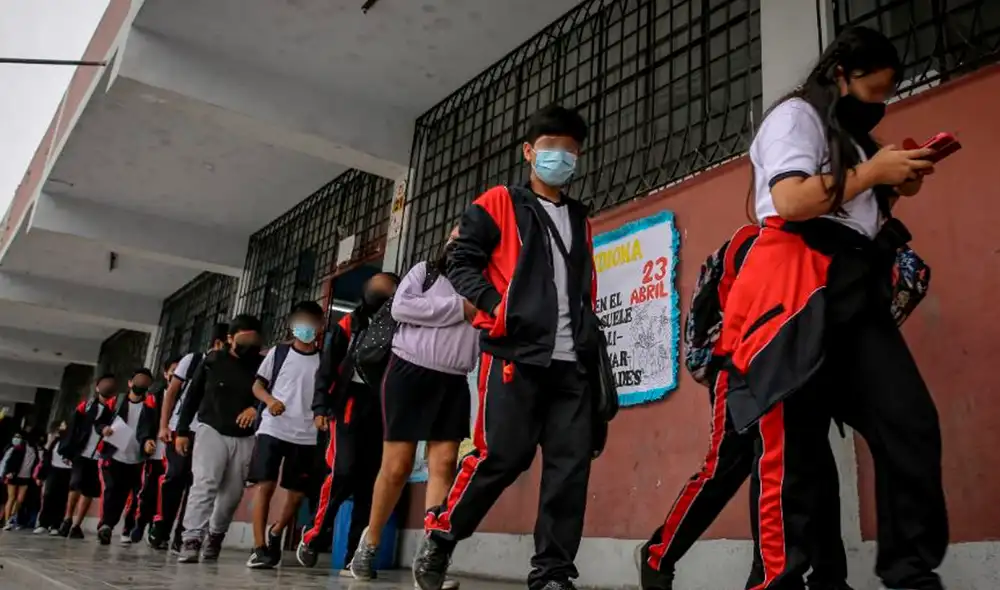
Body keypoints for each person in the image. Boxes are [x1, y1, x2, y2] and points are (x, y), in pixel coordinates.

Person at [699, 27, 946, 590]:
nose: (876, 103)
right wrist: (872, 174)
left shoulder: (853, 139)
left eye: (885, 94)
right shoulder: (795, 117)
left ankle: (911, 573)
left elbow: (854, 205)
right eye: (870, 90)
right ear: (840, 75)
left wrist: (892, 182)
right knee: (797, 457)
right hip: (797, 287)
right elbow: (791, 200)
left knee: (908, 423)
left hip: (854, 287)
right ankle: (795, 581)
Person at [414, 105, 599, 590]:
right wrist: (496, 306)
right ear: (528, 152)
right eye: (551, 147)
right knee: (503, 456)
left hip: (571, 364)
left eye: (571, 150)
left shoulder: (580, 218)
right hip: (516, 355)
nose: (561, 156)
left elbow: (582, 286)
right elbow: (460, 260)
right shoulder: (499, 202)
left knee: (569, 468)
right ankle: (442, 535)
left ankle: (553, 573)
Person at [637, 226, 853, 590]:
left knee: (808, 467)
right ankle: (658, 555)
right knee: (723, 471)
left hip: (796, 369)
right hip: (740, 369)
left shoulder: (826, 238)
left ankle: (820, 576)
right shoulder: (751, 240)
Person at [349, 230, 478, 584]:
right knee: (397, 465)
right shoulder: (425, 272)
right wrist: (459, 309)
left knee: (444, 464)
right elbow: (404, 307)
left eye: (466, 238)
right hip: (408, 373)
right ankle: (370, 542)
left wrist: (469, 308)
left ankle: (428, 557)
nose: (456, 243)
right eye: (453, 237)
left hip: (453, 380)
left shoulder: (485, 283)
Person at [296, 273, 400, 571]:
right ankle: (314, 536)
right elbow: (326, 367)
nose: (379, 290)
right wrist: (320, 406)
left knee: (371, 483)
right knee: (344, 471)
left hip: (383, 407)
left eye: (386, 286)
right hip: (350, 403)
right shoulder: (348, 324)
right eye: (375, 284)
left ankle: (354, 555)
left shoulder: (401, 324)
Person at [174, 314, 264, 563]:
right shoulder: (211, 362)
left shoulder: (263, 365)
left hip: (245, 436)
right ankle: (191, 538)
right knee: (205, 483)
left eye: (255, 340)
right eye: (244, 339)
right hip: (211, 428)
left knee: (233, 493)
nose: (250, 345)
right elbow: (191, 397)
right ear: (229, 339)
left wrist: (256, 407)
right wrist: (182, 431)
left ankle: (215, 536)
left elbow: (273, 393)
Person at [245, 300, 325, 569]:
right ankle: (258, 547)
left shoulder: (324, 360)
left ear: (321, 326)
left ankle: (276, 531)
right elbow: (257, 385)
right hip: (273, 427)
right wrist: (269, 401)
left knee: (296, 493)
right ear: (292, 325)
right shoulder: (278, 353)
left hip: (306, 434)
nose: (307, 328)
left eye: (312, 322)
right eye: (301, 322)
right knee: (265, 485)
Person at [149, 326, 228, 552]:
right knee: (175, 477)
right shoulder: (193, 360)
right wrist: (164, 425)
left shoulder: (229, 368)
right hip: (181, 429)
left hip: (209, 432)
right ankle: (161, 526)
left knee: (198, 484)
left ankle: (182, 535)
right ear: (218, 344)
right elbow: (172, 392)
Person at [93, 368, 155, 545]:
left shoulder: (150, 408)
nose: (141, 383)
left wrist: (148, 442)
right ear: (130, 382)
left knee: (135, 496)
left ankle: (127, 529)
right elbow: (99, 422)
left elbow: (150, 430)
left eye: (145, 381)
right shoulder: (116, 403)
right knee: (113, 492)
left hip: (137, 459)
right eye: (139, 379)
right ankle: (106, 526)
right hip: (114, 455)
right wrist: (103, 429)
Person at [56, 373, 119, 539]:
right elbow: (72, 429)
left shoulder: (115, 411)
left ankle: (77, 525)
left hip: (99, 455)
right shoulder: (85, 407)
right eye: (105, 383)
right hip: (81, 453)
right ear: (98, 387)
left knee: (90, 490)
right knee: (76, 485)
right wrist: (68, 450)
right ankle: (67, 518)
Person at [124, 360, 176, 544]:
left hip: (176, 454)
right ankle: (139, 523)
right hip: (156, 453)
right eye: (174, 371)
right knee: (147, 491)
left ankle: (160, 530)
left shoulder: (188, 395)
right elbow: (145, 422)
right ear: (165, 374)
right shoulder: (154, 397)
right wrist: (146, 439)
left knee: (169, 494)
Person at [34, 421, 73, 534]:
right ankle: (43, 523)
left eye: (63, 426)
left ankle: (56, 524)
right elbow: (46, 458)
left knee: (61, 498)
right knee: (48, 495)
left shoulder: (71, 442)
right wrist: (41, 475)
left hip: (67, 472)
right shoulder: (54, 441)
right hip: (53, 470)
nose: (61, 429)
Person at [1, 430, 39, 530]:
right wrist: (9, 472)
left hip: (25, 476)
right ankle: (7, 521)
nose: (16, 439)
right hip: (14, 476)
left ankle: (12, 517)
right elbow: (10, 461)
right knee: (11, 497)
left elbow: (35, 461)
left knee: (20, 499)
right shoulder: (17, 448)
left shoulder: (33, 449)